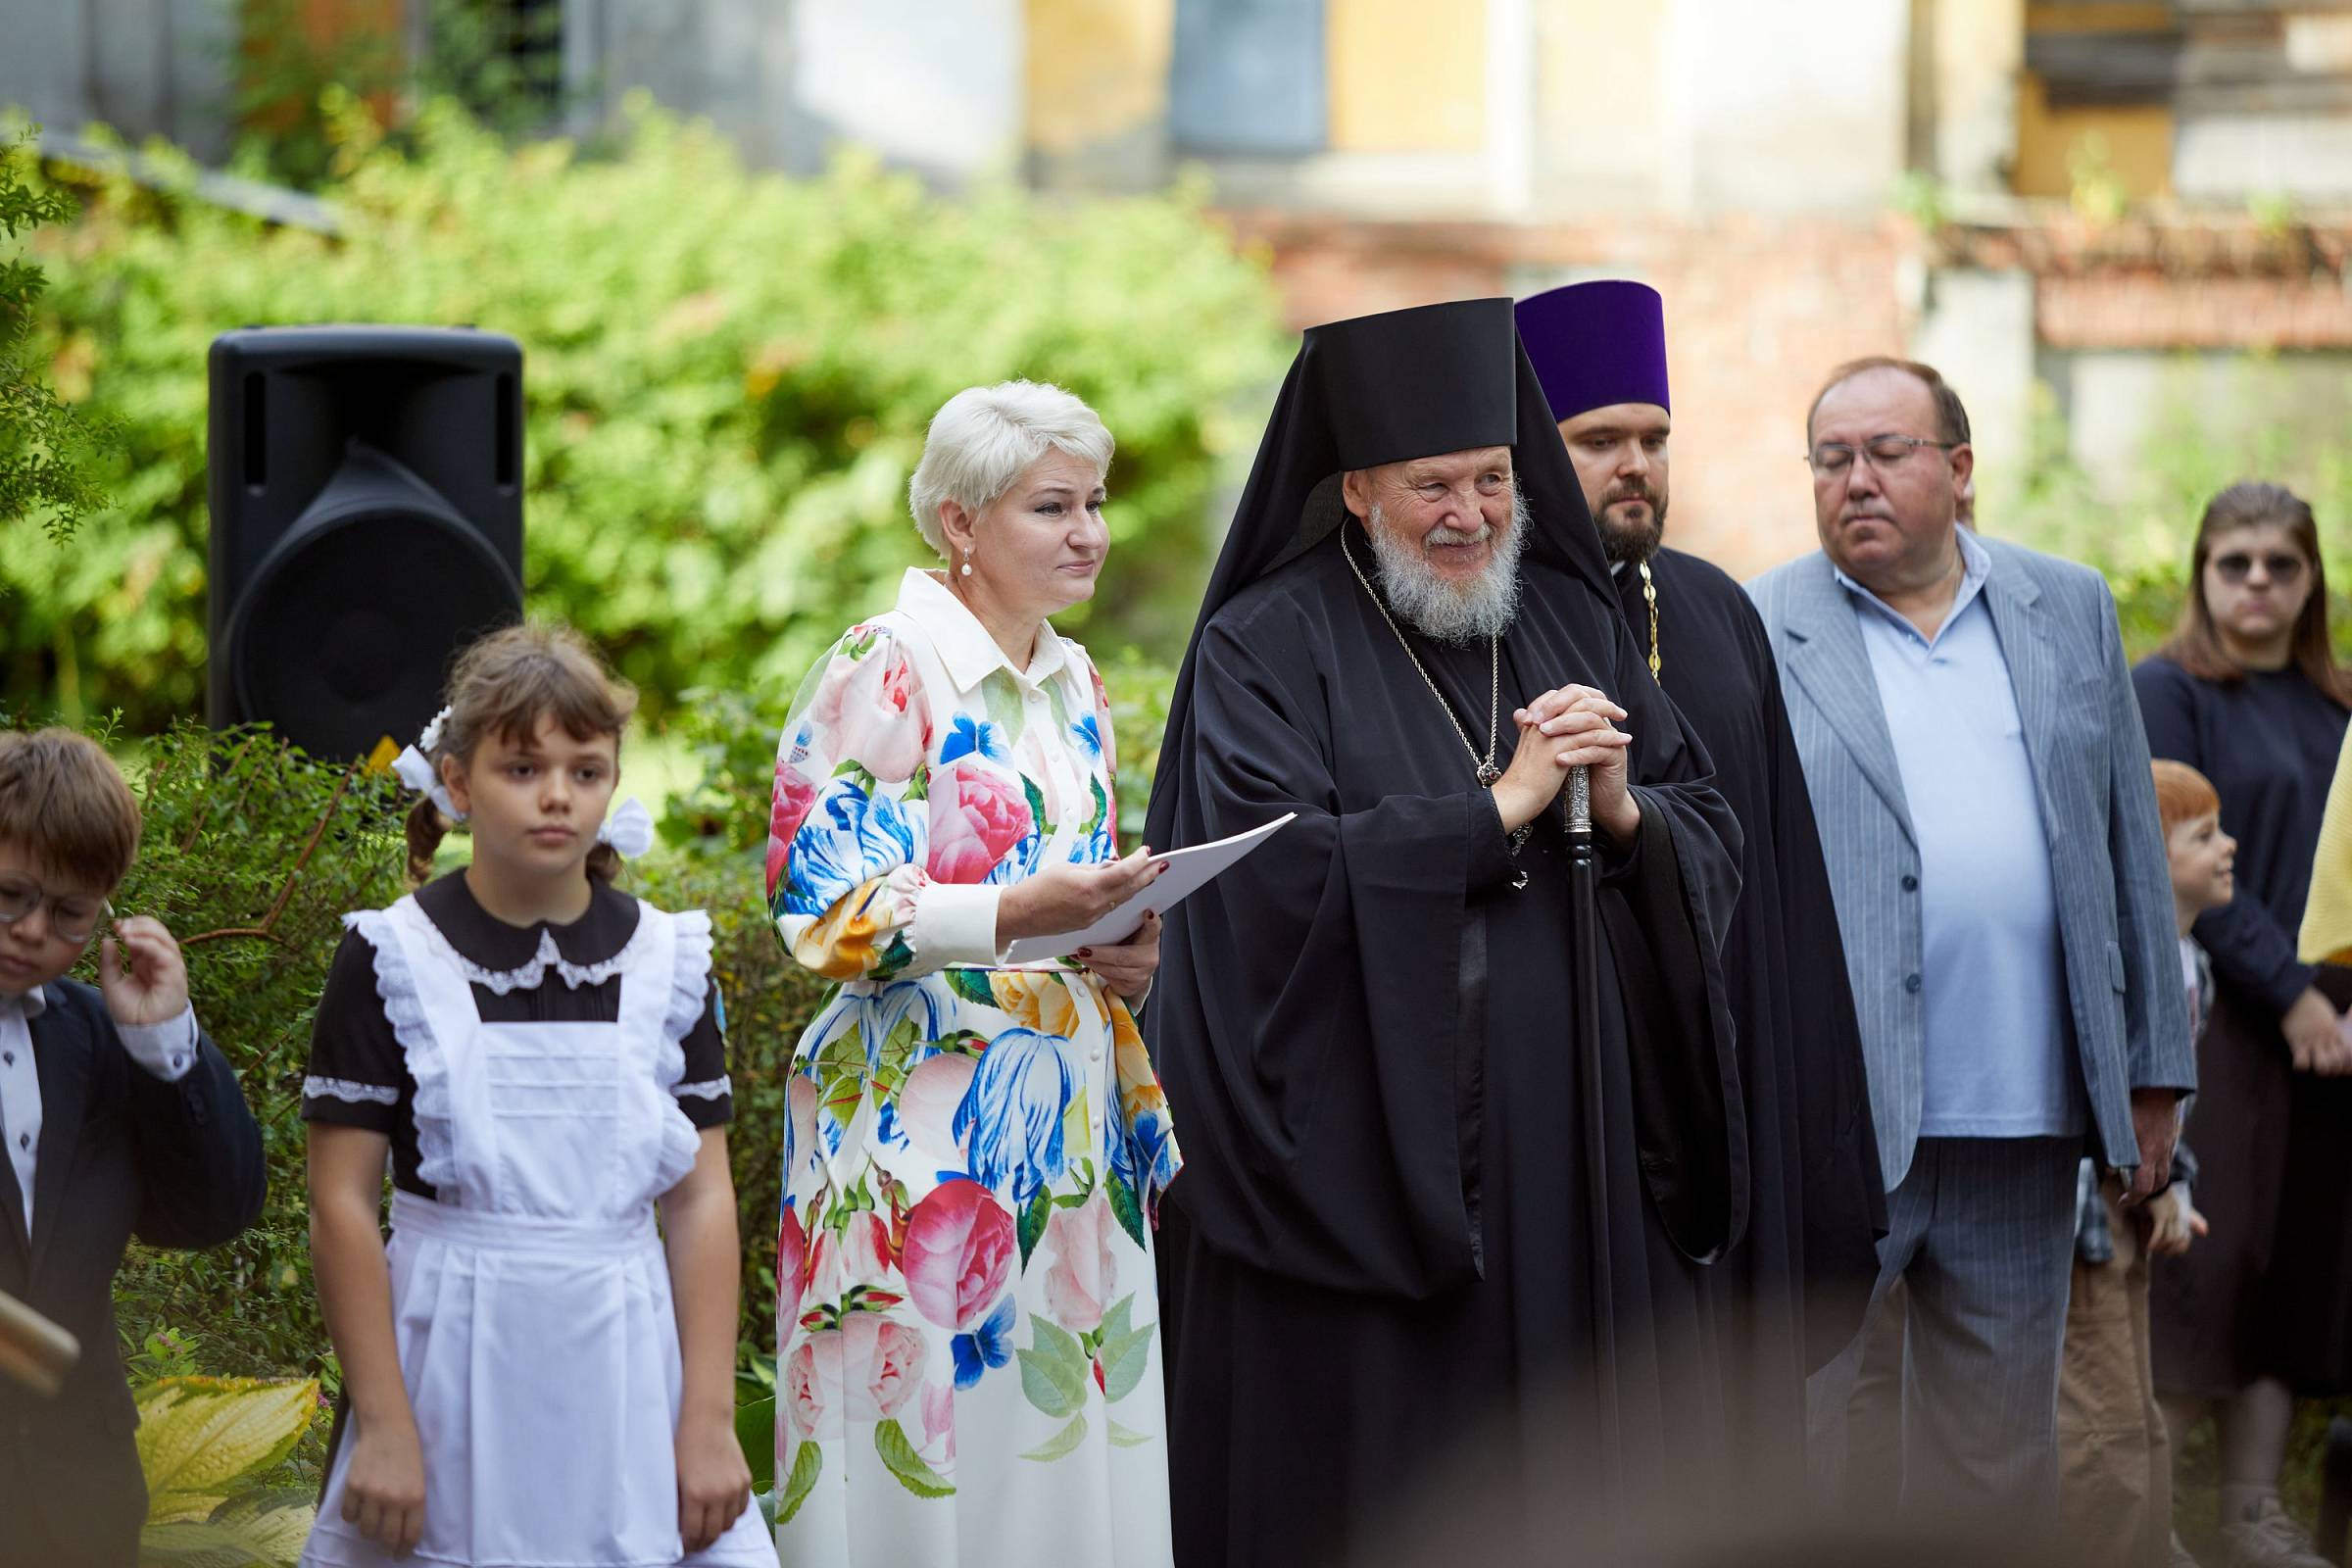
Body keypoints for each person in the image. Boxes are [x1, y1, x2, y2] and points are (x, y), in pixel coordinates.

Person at [1146, 297, 1750, 1567]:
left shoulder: (1572, 622)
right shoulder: (1265, 645)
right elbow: (1264, 881)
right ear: (1358, 489)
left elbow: (1706, 825)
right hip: (1387, 1167)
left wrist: (1628, 811)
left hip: (1577, 1152)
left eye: (1492, 478)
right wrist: (1502, 810)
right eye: (1435, 484)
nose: (1471, 513)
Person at [1747, 356, 2190, 1528]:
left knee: (1996, 1459)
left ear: (1959, 466)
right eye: (1831, 459)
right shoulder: (1759, 620)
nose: (1857, 481)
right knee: (1788, 1430)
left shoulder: (2069, 604)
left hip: (2023, 1117)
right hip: (1836, 1124)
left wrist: (2154, 1070)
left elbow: (2127, 848)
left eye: (1886, 453)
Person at [764, 381, 1180, 1566]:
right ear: (958, 523)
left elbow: (1078, 892)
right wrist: (1008, 912)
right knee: (940, 1444)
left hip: (1068, 1129)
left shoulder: (1078, 680)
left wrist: (1123, 946)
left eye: (1096, 503)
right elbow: (816, 904)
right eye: (1053, 506)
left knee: (1056, 1438)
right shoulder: (883, 663)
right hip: (917, 1126)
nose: (1089, 532)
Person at [1515, 280, 1885, 1479]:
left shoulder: (1717, 608)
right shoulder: (1491, 617)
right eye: (1600, 440)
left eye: (1654, 439)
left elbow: (1786, 876)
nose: (1637, 466)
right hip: (1594, 1092)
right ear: (1533, 446)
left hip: (1734, 1068)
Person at [299, 624, 767, 1567]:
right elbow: (340, 1203)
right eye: (523, 768)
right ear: (460, 783)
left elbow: (702, 1196)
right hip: (449, 1381)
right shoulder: (391, 957)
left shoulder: (668, 960)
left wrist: (708, 1420)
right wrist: (386, 1426)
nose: (558, 795)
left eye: (586, 770)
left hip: (627, 1371)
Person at [2133, 480, 2352, 1568]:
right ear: (2202, 573)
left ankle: (2251, 1511)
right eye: (2235, 562)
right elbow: (2184, 875)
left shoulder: (2338, 702)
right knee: (2196, 1268)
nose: (2258, 582)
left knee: (2294, 1261)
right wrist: (2289, 986)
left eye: (2281, 564)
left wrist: (2327, 998)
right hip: (2216, 1007)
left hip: (2330, 1030)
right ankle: (2153, 1517)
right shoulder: (2170, 692)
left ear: (2313, 582)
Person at [0, 728, 267, 1568]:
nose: (33, 930)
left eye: (70, 913)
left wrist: (163, 1043)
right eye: (9, 894)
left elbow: (211, 1214)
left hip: (78, 1495)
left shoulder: (94, 1036)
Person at [2057, 759, 2227, 1568]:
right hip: (2086, 1226)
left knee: (2137, 1412)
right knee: (2099, 1423)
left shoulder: (2195, 969)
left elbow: (2168, 1112)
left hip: (2132, 1215)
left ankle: (2150, 1544)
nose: (2228, 849)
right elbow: (2093, 1098)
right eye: (2203, 835)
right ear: (2147, 858)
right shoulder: (2117, 971)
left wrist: (2174, 1179)